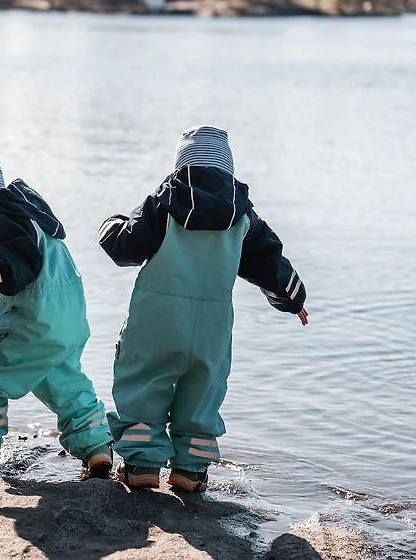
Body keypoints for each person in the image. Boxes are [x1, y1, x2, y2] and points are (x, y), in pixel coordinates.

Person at [98, 125, 308, 491]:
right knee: (203, 392)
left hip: (156, 320)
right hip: (212, 326)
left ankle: (142, 463)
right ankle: (191, 471)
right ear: (228, 168)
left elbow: (124, 247)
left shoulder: (164, 204)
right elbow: (269, 264)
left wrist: (109, 225)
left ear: (181, 165)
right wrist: (294, 301)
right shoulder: (243, 217)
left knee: (143, 381)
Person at [0, 138, 114, 478]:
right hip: (68, 321)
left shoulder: (5, 221)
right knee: (63, 382)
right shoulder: (31, 216)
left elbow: (10, 272)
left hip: (32, 322)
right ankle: (97, 447)